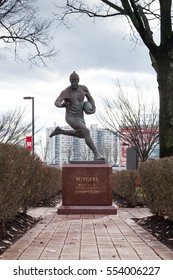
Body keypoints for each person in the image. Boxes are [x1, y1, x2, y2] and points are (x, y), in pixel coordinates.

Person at [50, 71, 104, 160]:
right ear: (70, 81)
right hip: (71, 117)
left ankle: (60, 131)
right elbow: (57, 102)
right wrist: (61, 105)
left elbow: (90, 98)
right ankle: (97, 154)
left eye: (75, 81)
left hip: (80, 117)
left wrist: (93, 108)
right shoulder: (66, 92)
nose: (74, 83)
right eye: (72, 81)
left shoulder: (83, 89)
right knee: (86, 132)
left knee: (82, 135)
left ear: (78, 81)